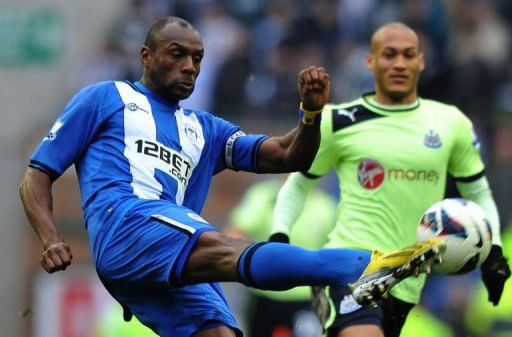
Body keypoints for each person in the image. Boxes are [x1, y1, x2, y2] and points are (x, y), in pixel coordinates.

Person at [19, 17, 444, 337]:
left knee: (219, 332)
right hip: (126, 225)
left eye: (197, 59)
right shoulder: (107, 97)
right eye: (177, 54)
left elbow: (285, 155)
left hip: (162, 261)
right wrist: (52, 236)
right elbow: (36, 174)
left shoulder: (204, 128)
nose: (189, 66)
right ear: (146, 57)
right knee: (226, 247)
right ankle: (365, 265)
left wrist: (311, 115)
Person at [270, 22, 511, 337]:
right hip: (350, 268)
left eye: (408, 55)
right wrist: (279, 238)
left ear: (420, 62)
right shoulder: (338, 120)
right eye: (389, 54)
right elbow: (299, 184)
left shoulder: (451, 123)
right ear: (371, 61)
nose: (399, 63)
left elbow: (478, 191)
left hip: (407, 283)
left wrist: (492, 251)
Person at [226, 178, 337, 337]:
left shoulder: (325, 206)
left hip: (305, 299)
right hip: (263, 295)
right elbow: (236, 232)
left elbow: (334, 253)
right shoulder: (263, 196)